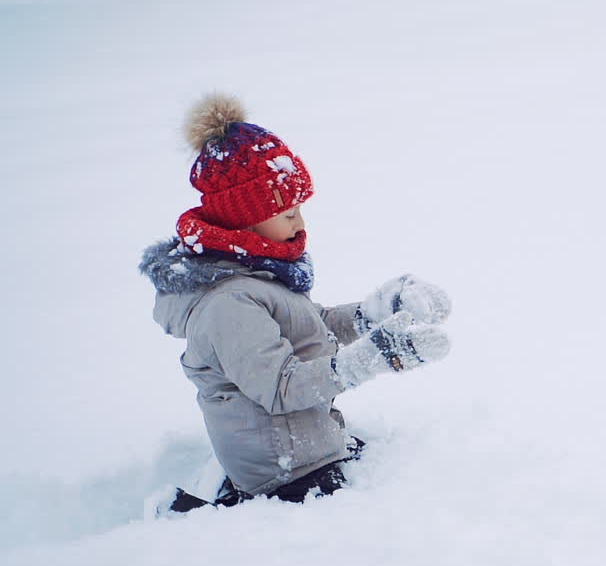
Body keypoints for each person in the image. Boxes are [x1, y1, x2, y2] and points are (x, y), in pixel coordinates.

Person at [141, 94, 452, 511]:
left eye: (300, 209)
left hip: (304, 445)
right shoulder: (228, 304)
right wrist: (375, 357)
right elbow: (282, 387)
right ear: (245, 218)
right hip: (284, 472)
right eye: (288, 214)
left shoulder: (253, 272)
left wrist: (376, 312)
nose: (301, 223)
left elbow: (311, 325)